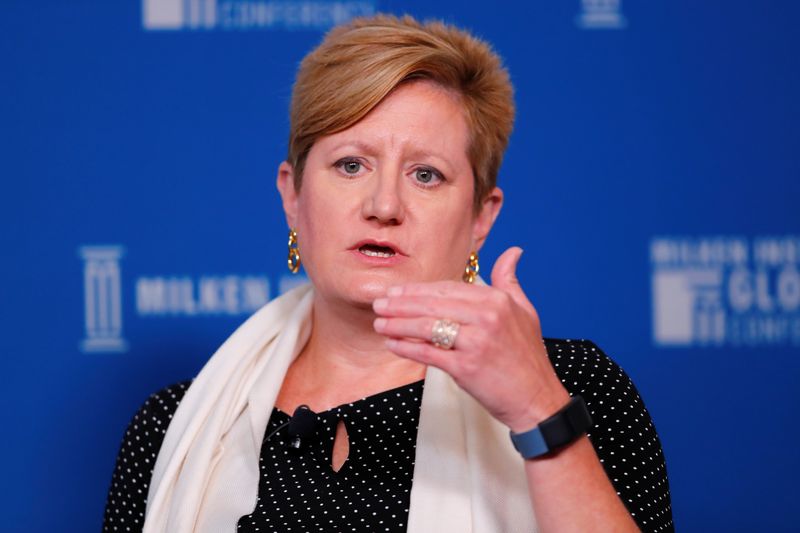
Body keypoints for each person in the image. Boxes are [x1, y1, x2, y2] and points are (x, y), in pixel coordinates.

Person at [103, 14, 673, 533]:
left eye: (426, 175)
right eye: (351, 165)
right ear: (293, 196)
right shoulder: (174, 427)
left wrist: (535, 412)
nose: (384, 204)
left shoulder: (572, 386)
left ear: (481, 216)